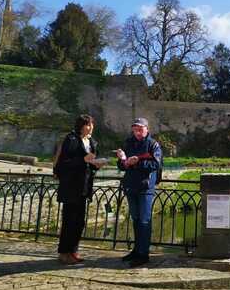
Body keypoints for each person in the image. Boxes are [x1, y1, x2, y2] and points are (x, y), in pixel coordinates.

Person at [55, 114, 105, 265]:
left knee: (79, 222)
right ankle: (64, 253)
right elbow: (64, 163)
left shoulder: (91, 141)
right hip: (71, 187)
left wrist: (95, 164)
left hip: (84, 187)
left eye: (92, 124)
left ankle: (73, 251)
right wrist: (83, 160)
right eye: (87, 125)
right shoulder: (71, 139)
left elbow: (88, 165)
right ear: (80, 126)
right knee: (69, 221)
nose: (90, 127)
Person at [116, 117, 162, 267]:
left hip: (145, 187)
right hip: (131, 185)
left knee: (144, 220)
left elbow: (156, 164)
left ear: (147, 129)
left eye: (140, 129)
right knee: (136, 219)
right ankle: (136, 250)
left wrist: (137, 162)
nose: (137, 132)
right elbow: (122, 166)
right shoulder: (129, 143)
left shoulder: (153, 144)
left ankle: (143, 254)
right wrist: (123, 160)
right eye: (135, 129)